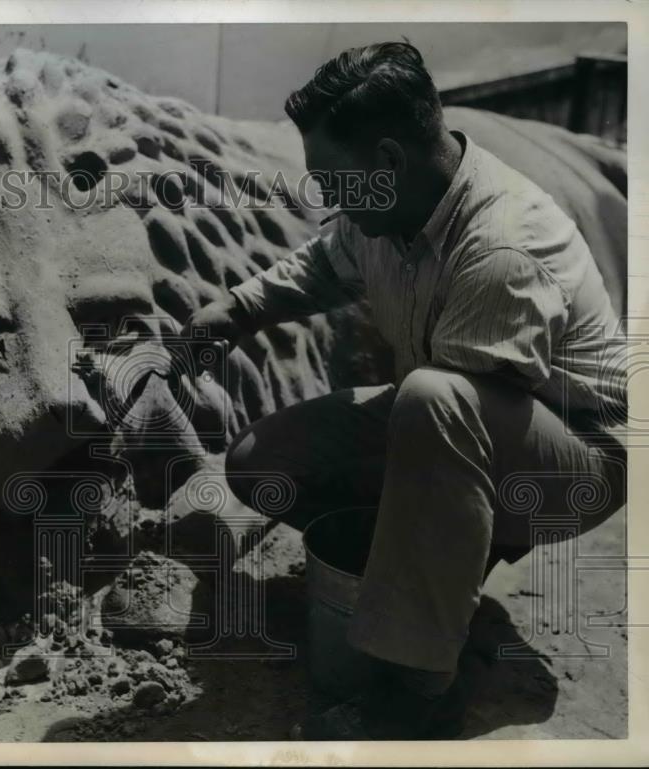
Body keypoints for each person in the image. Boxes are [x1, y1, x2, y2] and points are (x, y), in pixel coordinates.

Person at [181, 41, 627, 739]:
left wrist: (421, 555)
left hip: (571, 463)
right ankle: (416, 593)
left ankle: (416, 687)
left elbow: (459, 425)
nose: (325, 197)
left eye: (333, 178)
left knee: (433, 401)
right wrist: (232, 312)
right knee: (262, 459)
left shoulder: (502, 247)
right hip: (459, 413)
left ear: (387, 162)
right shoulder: (388, 207)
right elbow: (323, 265)